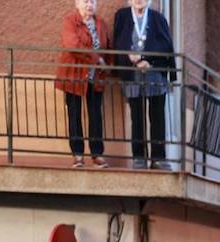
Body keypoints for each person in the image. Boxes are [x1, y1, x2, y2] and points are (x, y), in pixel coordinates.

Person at [112, 0, 175, 169]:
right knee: (137, 117)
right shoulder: (122, 16)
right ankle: (139, 157)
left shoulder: (158, 18)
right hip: (133, 74)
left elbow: (165, 45)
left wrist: (148, 60)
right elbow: (118, 42)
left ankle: (158, 158)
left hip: (154, 74)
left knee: (157, 118)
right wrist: (128, 57)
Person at [57, 0, 112, 168]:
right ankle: (78, 155)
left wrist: (108, 66)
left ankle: (97, 154)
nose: (89, 4)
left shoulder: (101, 23)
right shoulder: (70, 21)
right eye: (85, 1)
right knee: (74, 115)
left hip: (95, 77)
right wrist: (97, 59)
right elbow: (72, 45)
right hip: (74, 75)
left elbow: (109, 47)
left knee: (95, 115)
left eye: (93, 1)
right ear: (77, 4)